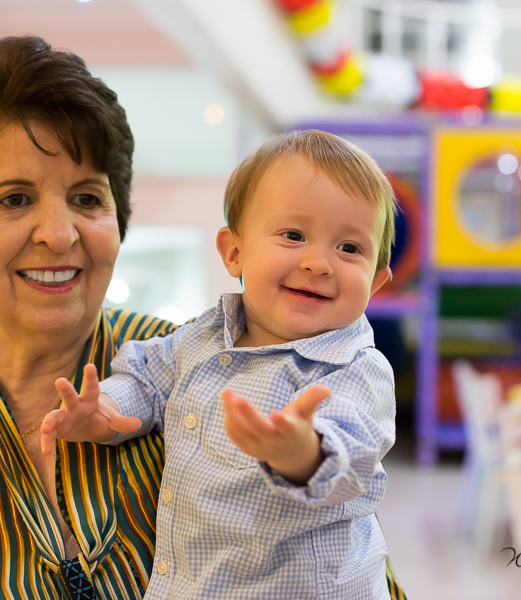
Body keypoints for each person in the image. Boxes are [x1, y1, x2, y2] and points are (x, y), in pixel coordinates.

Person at [0, 36, 407, 599]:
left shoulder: (223, 368)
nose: (59, 234)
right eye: (14, 199)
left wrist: (306, 452)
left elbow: (349, 554)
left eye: (87, 199)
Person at [41, 130, 398, 598]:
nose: (319, 263)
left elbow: (352, 454)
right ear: (234, 252)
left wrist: (303, 452)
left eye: (349, 248)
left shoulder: (355, 368)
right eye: (293, 236)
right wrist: (107, 408)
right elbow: (148, 376)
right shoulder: (204, 335)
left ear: (375, 282)